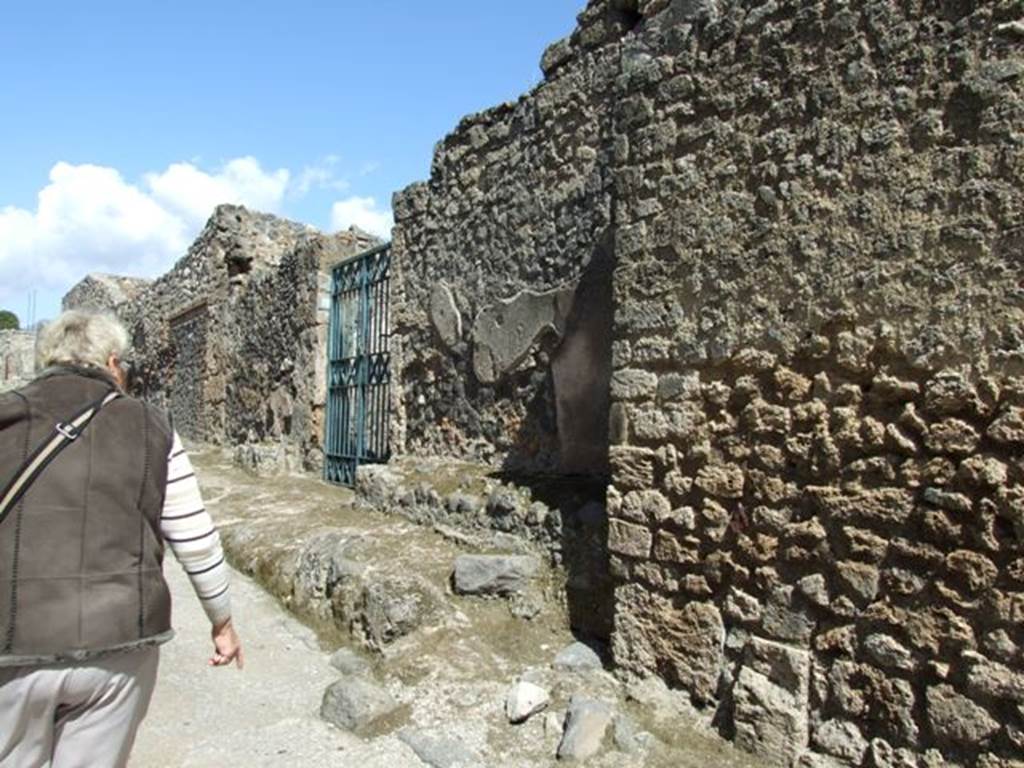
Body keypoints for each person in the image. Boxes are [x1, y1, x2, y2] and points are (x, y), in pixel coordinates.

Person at [0, 310, 242, 768]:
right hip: (118, 643)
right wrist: (222, 623)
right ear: (114, 364)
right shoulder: (152, 427)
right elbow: (196, 540)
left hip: (10, 643)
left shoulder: (6, 415)